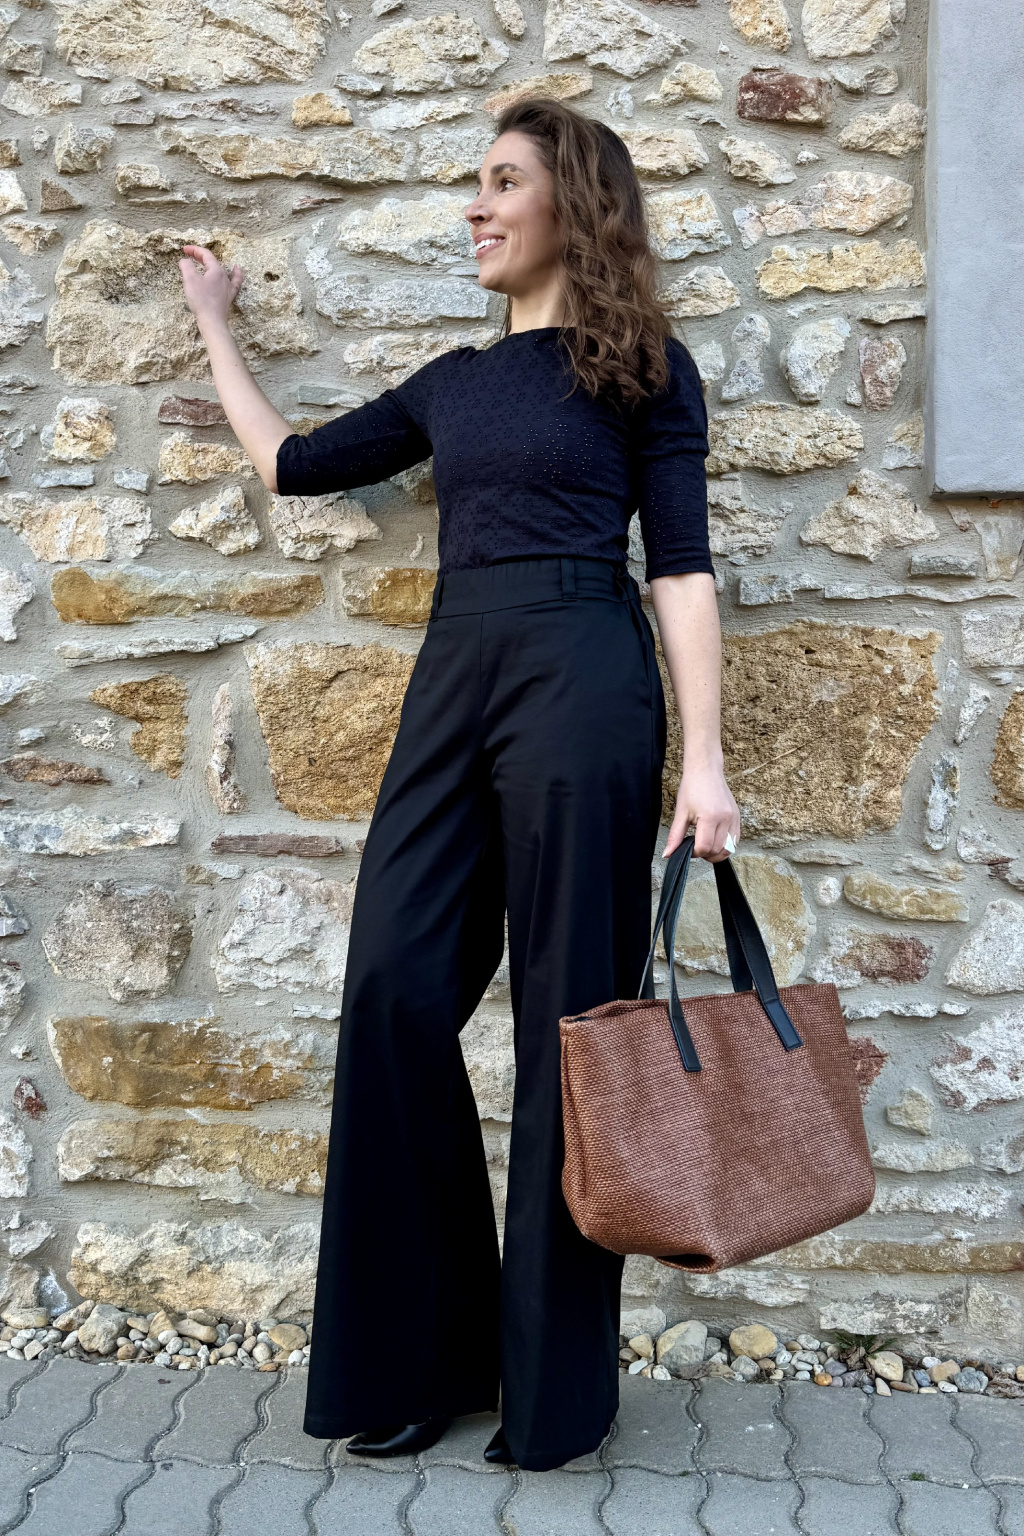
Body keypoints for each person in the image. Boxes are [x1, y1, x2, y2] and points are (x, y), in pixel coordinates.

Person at [178, 95, 741, 1474]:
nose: (475, 208)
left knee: (569, 1022)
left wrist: (706, 762)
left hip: (583, 678)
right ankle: (425, 1358)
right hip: (454, 676)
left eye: (502, 182)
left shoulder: (643, 369)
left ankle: (556, 1396)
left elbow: (679, 566)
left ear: (572, 206)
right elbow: (295, 466)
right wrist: (214, 324)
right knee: (393, 989)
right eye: (475, 185)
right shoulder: (451, 383)